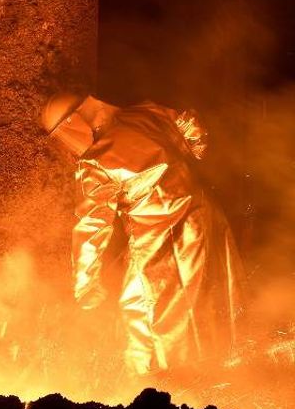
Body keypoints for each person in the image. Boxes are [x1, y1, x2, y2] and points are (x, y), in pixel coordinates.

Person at [41, 93, 244, 376]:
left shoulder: (96, 162)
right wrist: (194, 155)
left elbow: (92, 224)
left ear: (75, 121)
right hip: (202, 216)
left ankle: (162, 380)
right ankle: (212, 367)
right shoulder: (147, 114)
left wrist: (85, 284)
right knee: (201, 296)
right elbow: (190, 125)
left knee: (147, 308)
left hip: (158, 238)